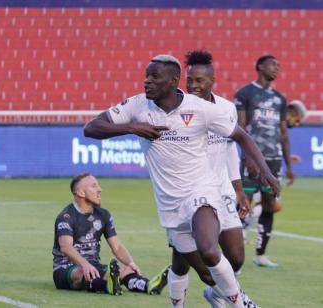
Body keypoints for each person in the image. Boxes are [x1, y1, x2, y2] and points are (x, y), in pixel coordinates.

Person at [84, 54, 279, 308]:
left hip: (202, 191)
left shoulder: (200, 109)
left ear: (172, 81)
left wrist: (264, 170)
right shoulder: (137, 106)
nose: (147, 82)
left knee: (210, 251)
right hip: (169, 203)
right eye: (146, 76)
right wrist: (132, 127)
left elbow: (241, 136)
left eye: (154, 77)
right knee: (202, 271)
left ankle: (239, 303)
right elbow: (91, 128)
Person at [164, 50, 253, 307]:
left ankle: (216, 295)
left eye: (200, 80)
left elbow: (230, 151)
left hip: (221, 190)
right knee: (183, 262)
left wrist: (239, 190)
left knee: (235, 258)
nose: (193, 85)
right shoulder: (177, 110)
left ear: (212, 81)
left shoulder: (226, 109)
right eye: (189, 80)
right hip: (186, 193)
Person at [53, 173, 169, 296]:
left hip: (94, 265)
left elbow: (117, 247)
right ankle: (108, 286)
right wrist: (85, 264)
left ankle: (148, 285)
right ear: (81, 193)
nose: (99, 189)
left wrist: (130, 263)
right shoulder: (66, 217)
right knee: (80, 273)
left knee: (124, 270)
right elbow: (66, 247)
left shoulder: (103, 215)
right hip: (66, 268)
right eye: (94, 186)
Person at [234, 55, 293, 268]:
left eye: (278, 65)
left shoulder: (280, 99)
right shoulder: (245, 93)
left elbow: (284, 133)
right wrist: (248, 156)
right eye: (272, 65)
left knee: (269, 205)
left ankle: (260, 254)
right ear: (260, 67)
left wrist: (289, 166)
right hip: (252, 159)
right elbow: (241, 127)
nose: (277, 69)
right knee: (243, 204)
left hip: (274, 160)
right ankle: (234, 251)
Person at [242, 99, 307, 234]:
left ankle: (243, 226)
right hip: (263, 169)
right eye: (297, 119)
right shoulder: (273, 122)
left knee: (268, 205)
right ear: (292, 112)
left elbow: (272, 145)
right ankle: (242, 226)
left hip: (269, 168)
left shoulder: (277, 125)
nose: (297, 123)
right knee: (272, 205)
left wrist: (288, 157)